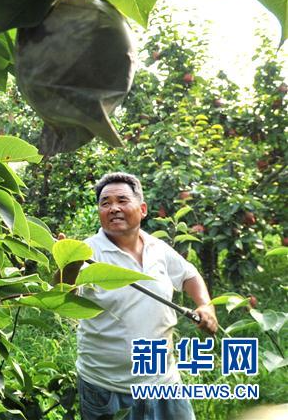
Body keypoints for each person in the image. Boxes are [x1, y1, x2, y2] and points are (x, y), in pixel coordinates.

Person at [74, 172, 218, 420]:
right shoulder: (87, 253)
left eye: (122, 200)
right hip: (108, 389)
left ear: (142, 209)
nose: (114, 208)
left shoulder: (157, 248)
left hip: (164, 382)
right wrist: (67, 262)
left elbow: (188, 275)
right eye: (105, 203)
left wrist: (205, 305)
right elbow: (62, 293)